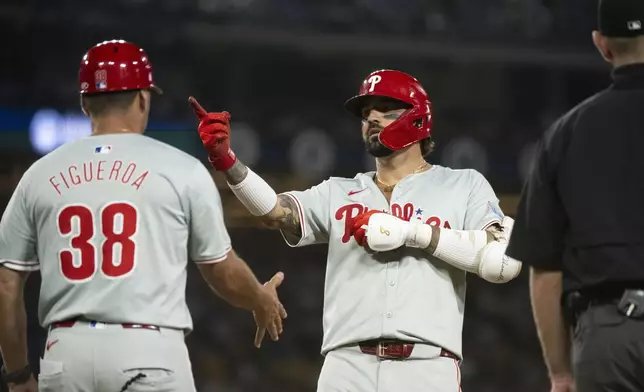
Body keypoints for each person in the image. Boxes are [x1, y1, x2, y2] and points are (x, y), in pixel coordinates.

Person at [189, 68, 522, 392]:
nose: (372, 119)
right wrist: (229, 163)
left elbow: (503, 262)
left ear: (419, 118)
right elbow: (276, 212)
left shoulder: (462, 184)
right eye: (366, 113)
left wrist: (414, 233)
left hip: (428, 366)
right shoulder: (339, 191)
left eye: (386, 110)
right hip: (346, 368)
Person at [0, 39, 286, 392]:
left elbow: (6, 283)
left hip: (66, 351)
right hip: (150, 350)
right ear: (142, 98)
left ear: (84, 102)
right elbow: (221, 271)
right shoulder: (181, 169)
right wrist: (259, 298)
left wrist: (17, 374)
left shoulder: (39, 174)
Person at [505, 1, 644, 391]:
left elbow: (545, 271)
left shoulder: (564, 135)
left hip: (608, 336)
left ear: (601, 44)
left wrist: (560, 371)